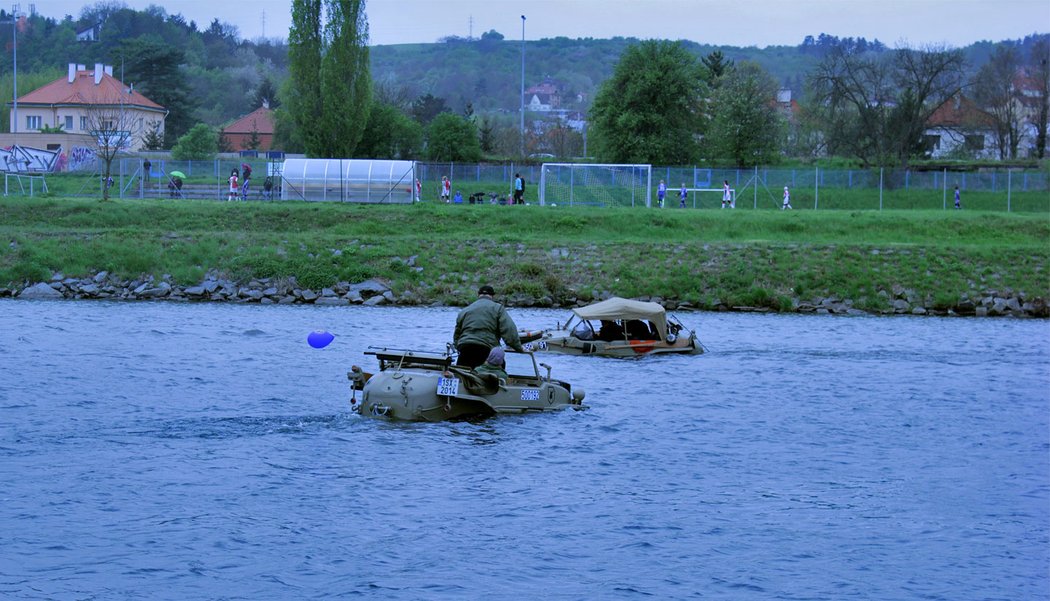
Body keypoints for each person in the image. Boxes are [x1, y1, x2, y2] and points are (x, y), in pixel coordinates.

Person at [454, 285, 524, 368]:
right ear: (492, 296)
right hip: (485, 349)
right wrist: (519, 348)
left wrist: (458, 346)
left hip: (465, 348)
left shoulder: (465, 310)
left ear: (478, 295)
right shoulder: (498, 308)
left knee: (462, 376)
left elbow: (457, 335)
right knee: (498, 369)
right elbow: (509, 330)